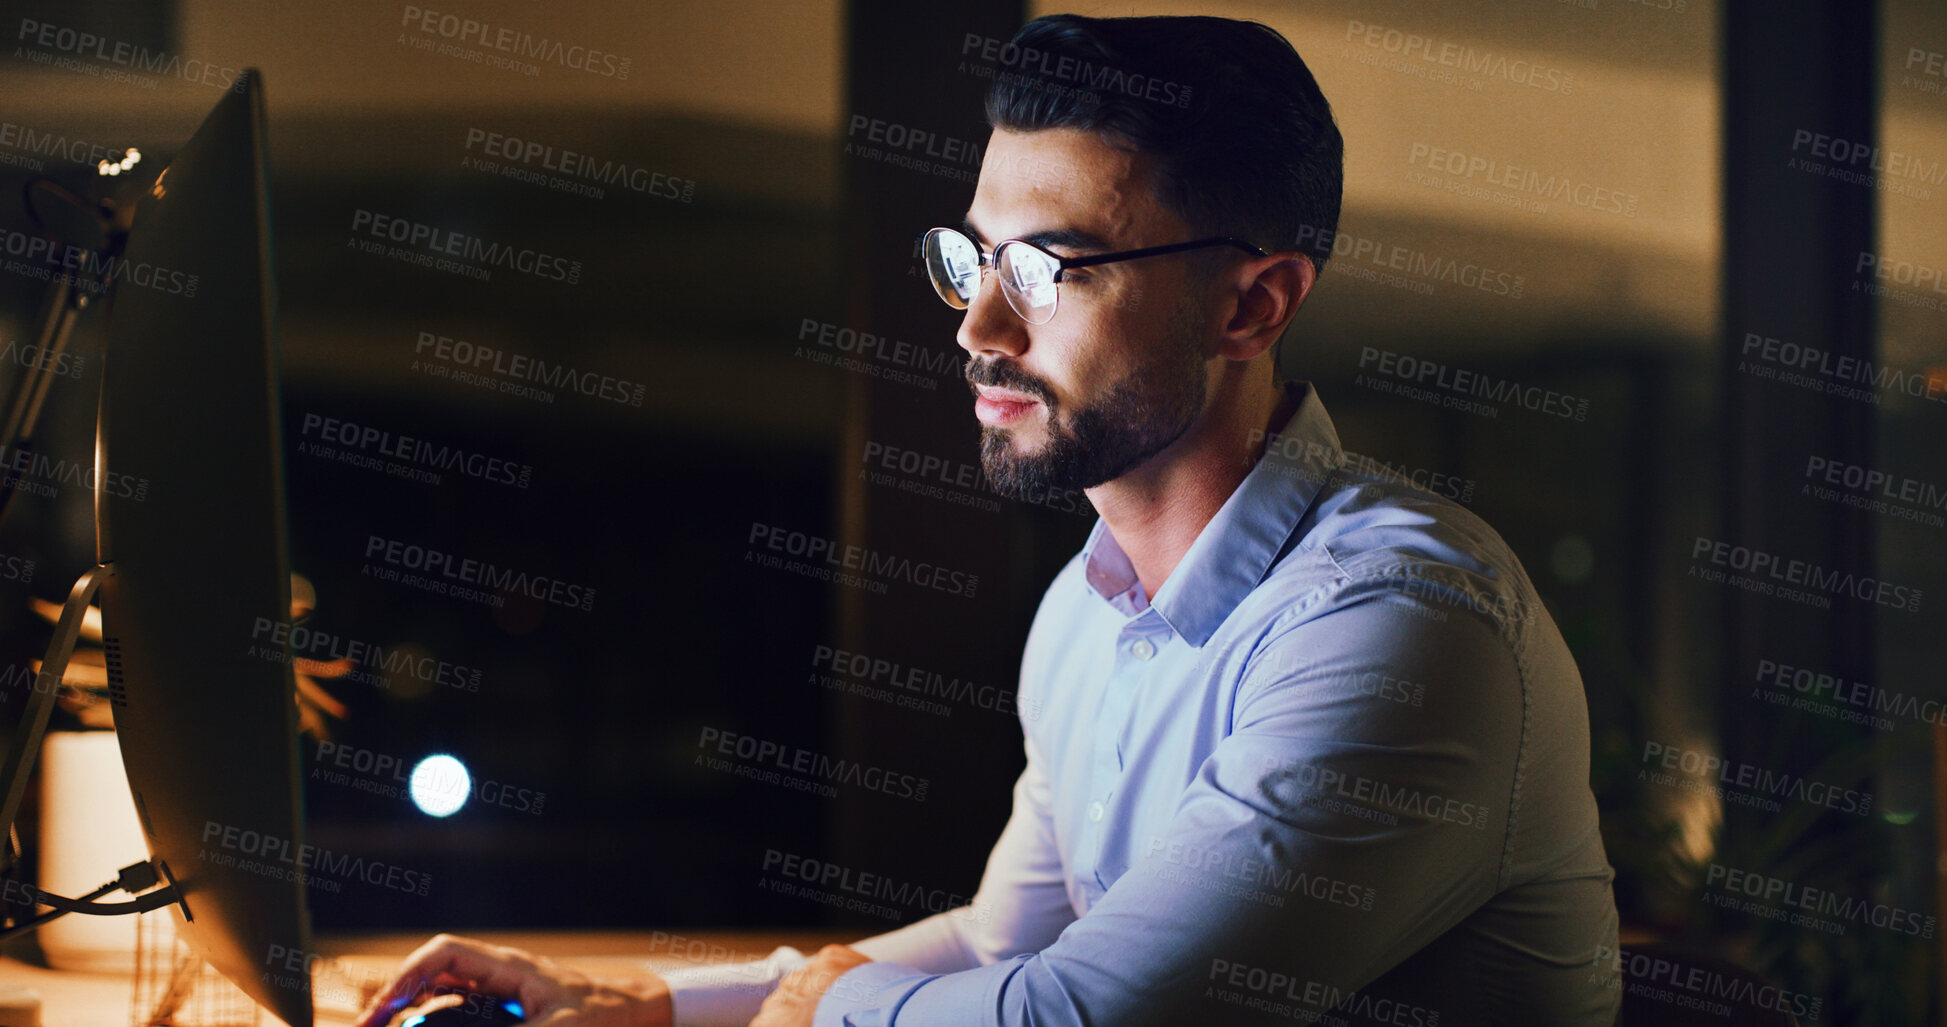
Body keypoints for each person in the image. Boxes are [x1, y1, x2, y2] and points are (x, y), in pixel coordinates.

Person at [357, 13, 1620, 1027]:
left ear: (1251, 307)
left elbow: (1079, 1012)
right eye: (973, 259)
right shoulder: (1089, 607)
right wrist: (656, 1003)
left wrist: (828, 1002)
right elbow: (1003, 941)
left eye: (1045, 272)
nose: (977, 330)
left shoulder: (1399, 629)